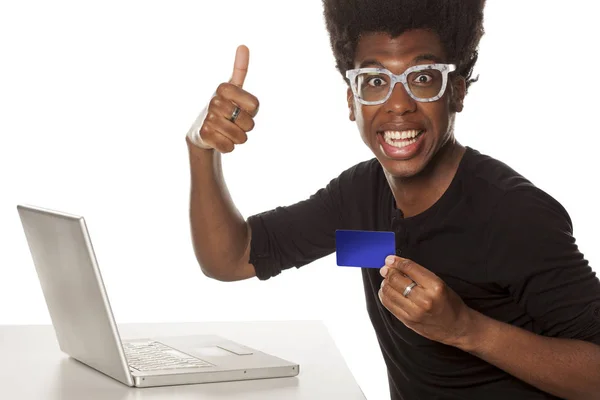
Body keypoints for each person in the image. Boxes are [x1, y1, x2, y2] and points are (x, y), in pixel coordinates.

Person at [184, 0, 600, 398]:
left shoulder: (513, 215)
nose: (398, 105)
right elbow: (233, 258)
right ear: (353, 101)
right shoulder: (360, 202)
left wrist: (466, 329)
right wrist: (200, 148)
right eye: (376, 81)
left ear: (456, 92)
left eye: (422, 78)